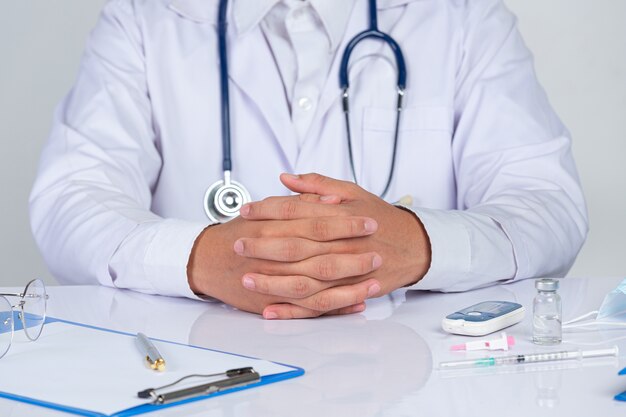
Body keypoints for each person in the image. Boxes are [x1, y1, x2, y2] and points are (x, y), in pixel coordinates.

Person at [30, 0, 588, 319]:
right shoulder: (145, 19)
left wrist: (419, 243)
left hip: (422, 382)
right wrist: (196, 257)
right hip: (204, 382)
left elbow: (549, 203)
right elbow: (70, 198)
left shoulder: (463, 18)